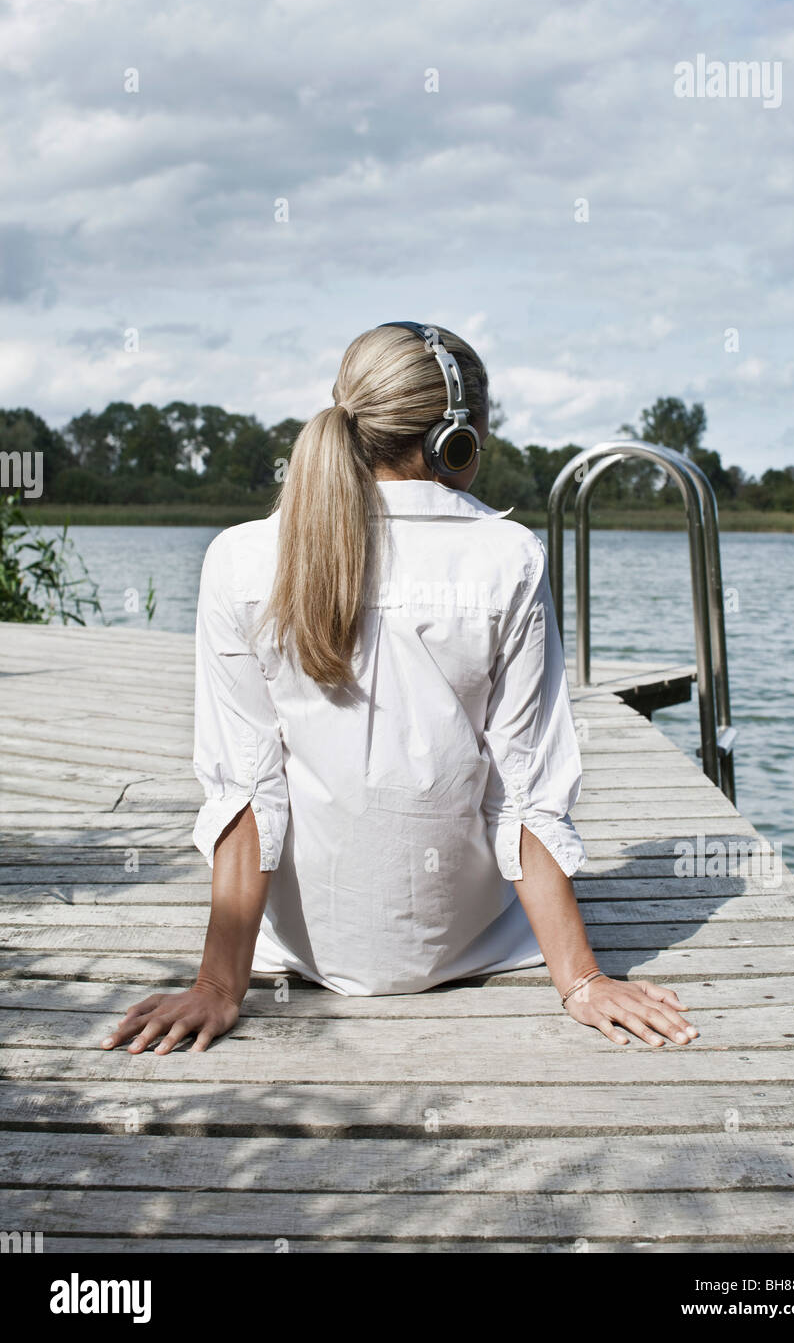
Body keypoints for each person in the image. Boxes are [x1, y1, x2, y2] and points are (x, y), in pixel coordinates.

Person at [101, 322, 699, 1056]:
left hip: (300, 950)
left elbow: (246, 791)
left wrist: (218, 988)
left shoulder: (239, 558)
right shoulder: (509, 557)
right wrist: (581, 981)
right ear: (461, 439)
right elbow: (525, 790)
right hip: (468, 945)